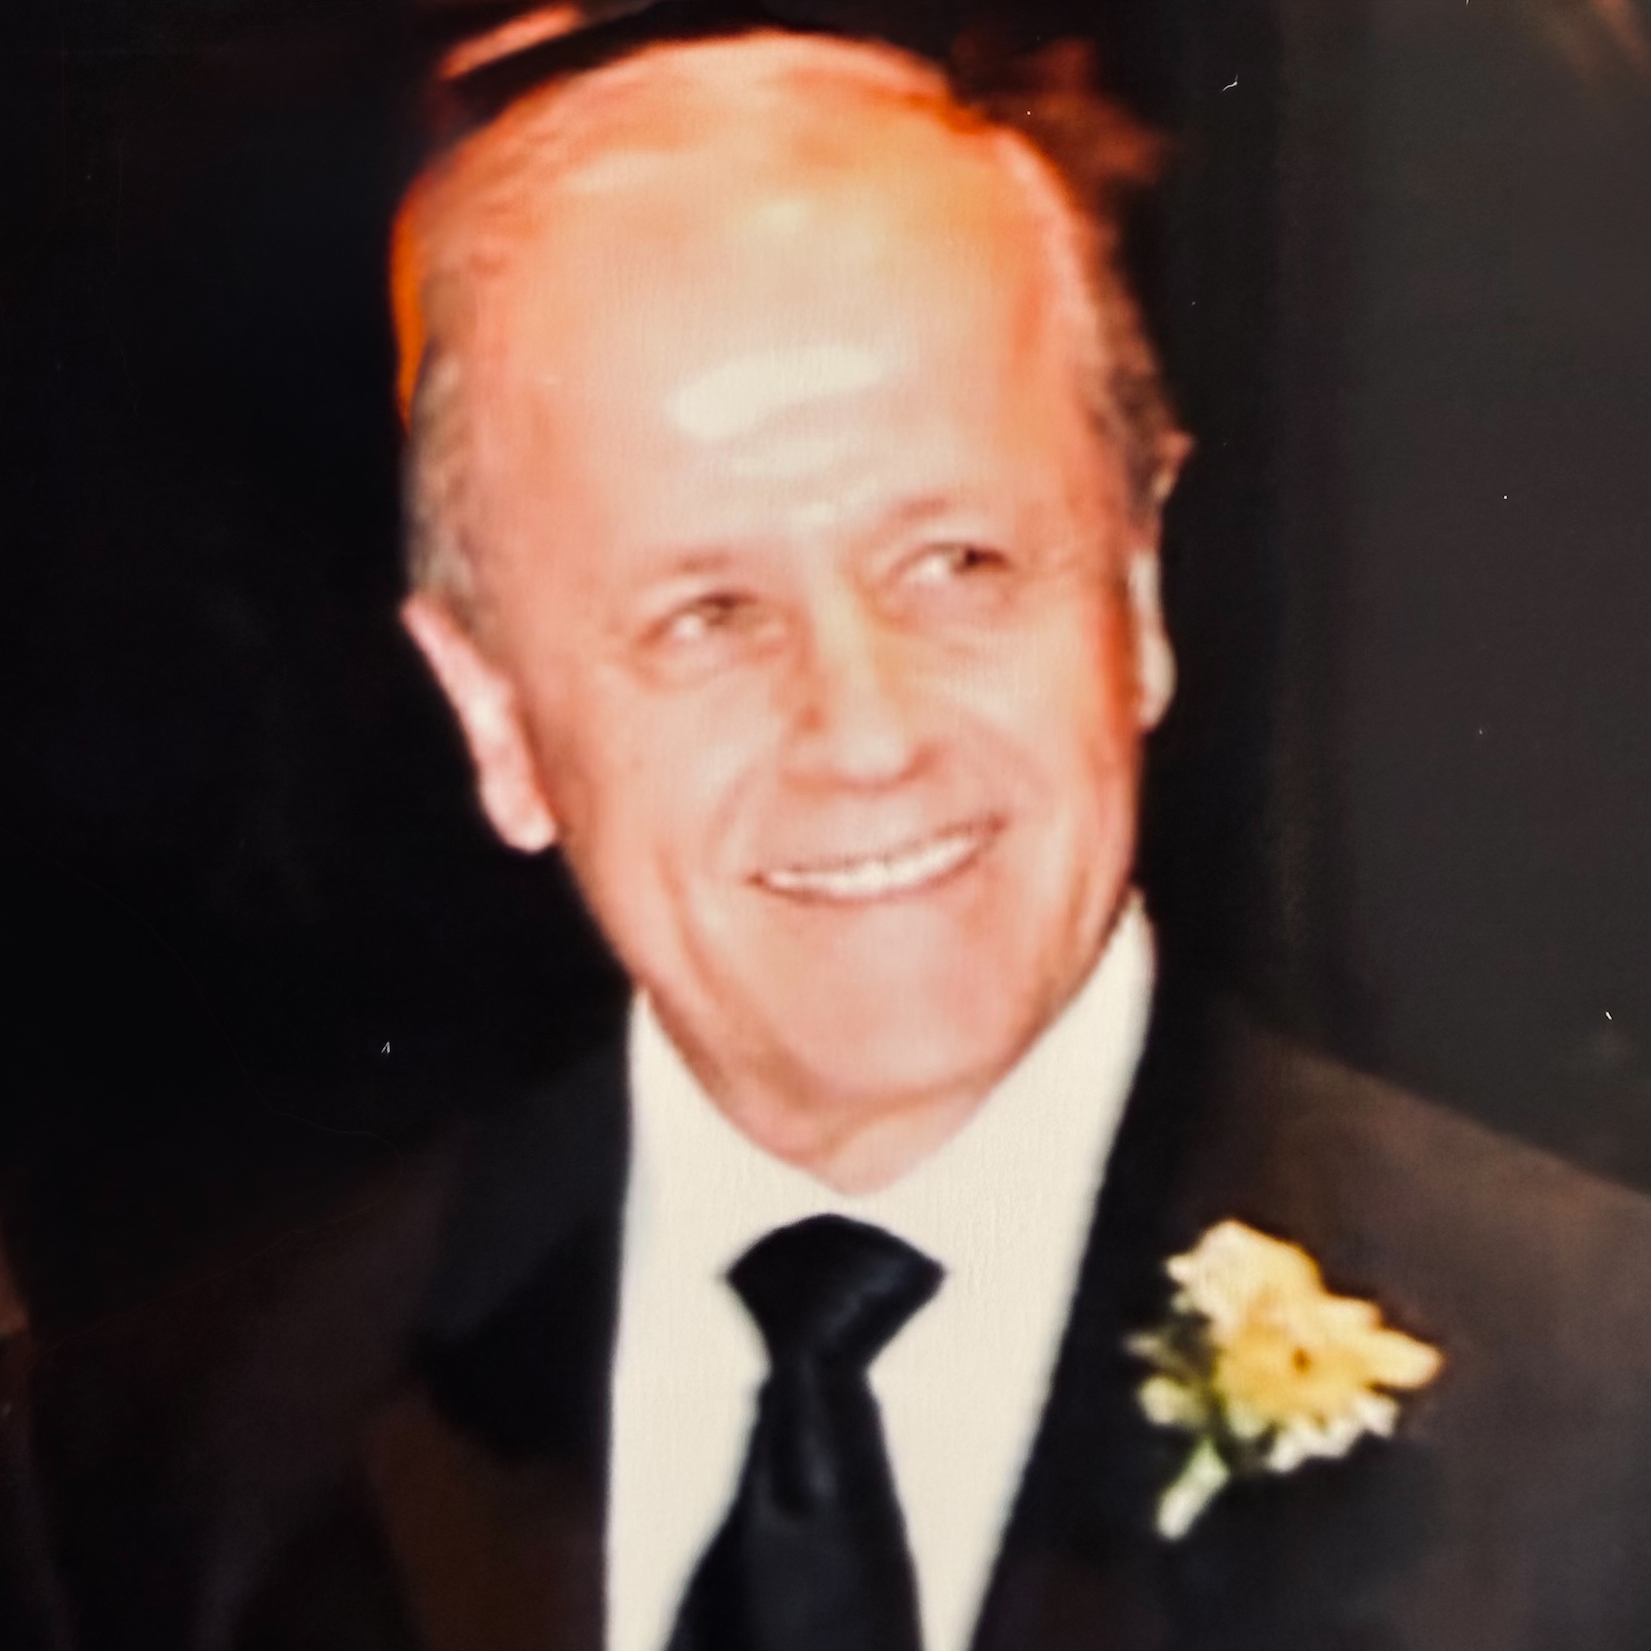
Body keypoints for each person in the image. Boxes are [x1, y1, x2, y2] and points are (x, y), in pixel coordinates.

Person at [28, 13, 1651, 1651]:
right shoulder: (183, 1468)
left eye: (956, 566)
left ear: (1137, 589)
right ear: (497, 714)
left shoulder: (1599, 1423)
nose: (867, 733)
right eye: (709, 615)